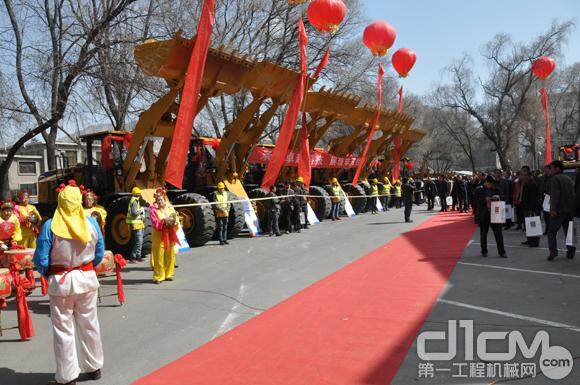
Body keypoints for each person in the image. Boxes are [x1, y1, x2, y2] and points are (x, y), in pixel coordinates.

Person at [33, 181, 105, 385]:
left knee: (63, 329)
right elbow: (99, 252)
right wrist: (85, 267)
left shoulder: (50, 226)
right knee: (90, 324)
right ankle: (94, 367)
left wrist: (50, 274)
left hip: (61, 282)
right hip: (87, 280)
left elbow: (41, 259)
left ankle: (67, 376)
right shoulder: (91, 223)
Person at [547, 160, 575, 261]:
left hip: (559, 209)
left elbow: (555, 195)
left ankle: (553, 251)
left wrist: (553, 209)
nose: (551, 170)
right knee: (569, 231)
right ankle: (571, 250)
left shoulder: (555, 178)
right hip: (569, 209)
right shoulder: (568, 178)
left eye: (552, 168)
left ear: (557, 168)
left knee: (551, 231)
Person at [150, 188, 179, 283]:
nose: (160, 201)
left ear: (164, 199)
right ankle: (158, 276)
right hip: (159, 237)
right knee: (159, 257)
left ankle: (168, 274)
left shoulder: (169, 207)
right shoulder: (153, 210)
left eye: (161, 199)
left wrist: (173, 221)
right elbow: (155, 223)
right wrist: (164, 221)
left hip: (170, 235)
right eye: (158, 199)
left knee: (170, 255)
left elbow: (176, 218)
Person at [476, 175, 507, 258]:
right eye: (490, 183)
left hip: (495, 214)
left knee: (498, 234)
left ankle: (502, 251)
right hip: (484, 213)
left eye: (493, 184)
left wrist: (498, 197)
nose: (492, 185)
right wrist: (484, 199)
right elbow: (476, 201)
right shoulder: (480, 189)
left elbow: (504, 198)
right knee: (483, 234)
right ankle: (484, 250)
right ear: (486, 182)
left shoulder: (497, 189)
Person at [520, 168, 540, 248]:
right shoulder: (525, 183)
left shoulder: (532, 184)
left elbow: (533, 198)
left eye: (525, 175)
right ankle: (529, 239)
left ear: (529, 176)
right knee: (527, 225)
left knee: (533, 225)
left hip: (530, 208)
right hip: (526, 207)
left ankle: (534, 241)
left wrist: (532, 209)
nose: (524, 177)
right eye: (523, 175)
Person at [126, 187, 145, 262]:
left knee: (137, 241)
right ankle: (136, 256)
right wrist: (140, 211)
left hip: (137, 224)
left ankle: (136, 256)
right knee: (139, 241)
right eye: (138, 194)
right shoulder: (134, 201)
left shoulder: (134, 201)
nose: (139, 195)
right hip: (136, 224)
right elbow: (134, 213)